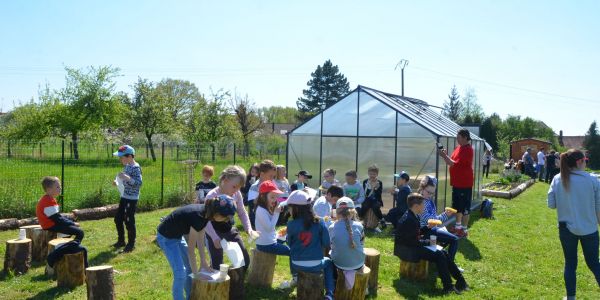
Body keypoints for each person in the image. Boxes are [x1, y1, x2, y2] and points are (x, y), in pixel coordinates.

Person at [156, 197, 236, 300]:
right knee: (180, 273)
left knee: (188, 269)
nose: (226, 221)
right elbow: (191, 250)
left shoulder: (205, 214)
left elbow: (201, 240)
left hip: (177, 236)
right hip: (166, 237)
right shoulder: (198, 216)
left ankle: (190, 296)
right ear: (216, 213)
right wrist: (196, 274)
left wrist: (203, 263)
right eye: (225, 218)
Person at [547, 149, 600, 299]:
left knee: (570, 263)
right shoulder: (593, 180)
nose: (586, 163)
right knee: (594, 264)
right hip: (590, 229)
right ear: (579, 162)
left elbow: (551, 204)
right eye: (585, 160)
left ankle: (571, 297)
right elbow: (599, 209)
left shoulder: (557, 179)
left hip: (566, 229)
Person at [394, 193, 468, 294]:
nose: (424, 207)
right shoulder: (410, 219)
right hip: (407, 251)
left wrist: (428, 227)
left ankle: (460, 282)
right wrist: (428, 242)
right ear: (416, 206)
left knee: (443, 253)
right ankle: (448, 286)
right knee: (439, 255)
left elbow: (416, 233)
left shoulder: (412, 215)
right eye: (422, 205)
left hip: (410, 247)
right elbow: (413, 241)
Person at [204, 166, 259, 271]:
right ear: (225, 180)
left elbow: (242, 212)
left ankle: (241, 278)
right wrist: (214, 237)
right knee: (217, 265)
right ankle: (217, 282)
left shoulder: (236, 194)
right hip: (213, 231)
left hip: (229, 229)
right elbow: (206, 220)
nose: (236, 190)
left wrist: (249, 229)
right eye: (234, 187)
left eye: (239, 188)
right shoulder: (212, 196)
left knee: (245, 260)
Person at [286, 190, 335, 300]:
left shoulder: (291, 224)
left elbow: (289, 243)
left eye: (289, 208)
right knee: (329, 263)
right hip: (316, 263)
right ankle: (329, 294)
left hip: (296, 264)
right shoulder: (320, 222)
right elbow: (327, 243)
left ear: (296, 208)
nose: (288, 210)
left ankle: (295, 278)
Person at [439, 129, 474, 238]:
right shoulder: (459, 148)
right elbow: (451, 162)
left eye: (458, 137)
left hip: (464, 183)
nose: (457, 139)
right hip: (457, 182)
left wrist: (444, 156)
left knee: (465, 207)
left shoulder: (468, 150)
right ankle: (458, 228)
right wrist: (445, 155)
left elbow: (454, 164)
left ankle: (464, 230)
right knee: (458, 206)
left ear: (465, 137)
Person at [417, 176, 459, 261]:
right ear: (422, 188)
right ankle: (450, 265)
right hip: (425, 232)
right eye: (428, 192)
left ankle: (442, 258)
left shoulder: (428, 201)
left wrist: (445, 214)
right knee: (454, 239)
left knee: (449, 239)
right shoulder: (420, 202)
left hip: (431, 230)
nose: (430, 195)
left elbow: (434, 219)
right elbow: (431, 221)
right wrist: (445, 215)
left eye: (432, 193)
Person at [112, 145, 142, 252]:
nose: (120, 160)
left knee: (129, 220)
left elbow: (139, 183)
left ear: (129, 156)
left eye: (121, 157)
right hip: (124, 196)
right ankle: (121, 241)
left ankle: (131, 244)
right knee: (118, 219)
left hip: (132, 199)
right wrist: (117, 182)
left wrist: (128, 178)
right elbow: (123, 179)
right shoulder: (127, 166)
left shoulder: (136, 168)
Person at [36, 176, 84, 242]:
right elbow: (57, 219)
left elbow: (57, 217)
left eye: (60, 186)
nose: (60, 188)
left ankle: (64, 243)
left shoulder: (49, 199)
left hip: (52, 223)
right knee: (80, 232)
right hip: (50, 226)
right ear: (49, 189)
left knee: (71, 223)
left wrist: (70, 222)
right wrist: (72, 223)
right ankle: (70, 248)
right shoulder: (47, 201)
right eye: (57, 187)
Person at [329, 197, 365, 280]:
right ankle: (364, 286)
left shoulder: (332, 227)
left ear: (337, 212)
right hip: (357, 264)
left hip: (339, 264)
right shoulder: (359, 226)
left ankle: (335, 281)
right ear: (353, 212)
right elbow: (362, 243)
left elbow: (332, 245)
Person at [247, 160, 277, 228]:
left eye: (274, 176)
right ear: (262, 174)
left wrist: (282, 202)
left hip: (269, 216)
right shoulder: (255, 187)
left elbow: (277, 198)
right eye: (270, 176)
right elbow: (252, 205)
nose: (272, 179)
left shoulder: (272, 184)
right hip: (257, 219)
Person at [361, 164, 385, 232]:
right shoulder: (365, 181)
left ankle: (382, 220)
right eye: (370, 174)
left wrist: (375, 188)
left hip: (376, 199)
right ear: (368, 173)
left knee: (375, 207)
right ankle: (361, 220)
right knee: (365, 206)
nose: (372, 175)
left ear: (377, 174)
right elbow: (364, 193)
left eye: (374, 174)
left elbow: (379, 194)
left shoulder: (379, 182)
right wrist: (370, 187)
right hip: (367, 199)